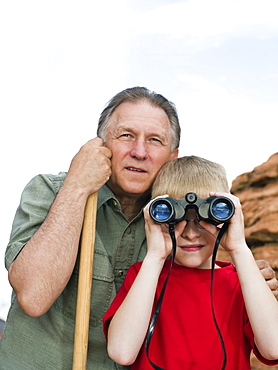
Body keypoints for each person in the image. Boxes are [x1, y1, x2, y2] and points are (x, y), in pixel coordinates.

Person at [0, 87, 276, 370]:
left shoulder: (168, 217)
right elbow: (34, 297)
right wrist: (78, 186)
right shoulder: (52, 191)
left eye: (155, 140)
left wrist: (251, 275)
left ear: (172, 156)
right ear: (101, 144)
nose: (139, 152)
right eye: (126, 135)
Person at [103, 156, 278, 370]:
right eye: (174, 219)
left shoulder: (242, 282)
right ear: (157, 218)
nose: (191, 233)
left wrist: (239, 248)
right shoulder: (145, 276)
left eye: (207, 217)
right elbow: (122, 352)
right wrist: (155, 255)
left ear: (226, 216)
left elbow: (274, 347)